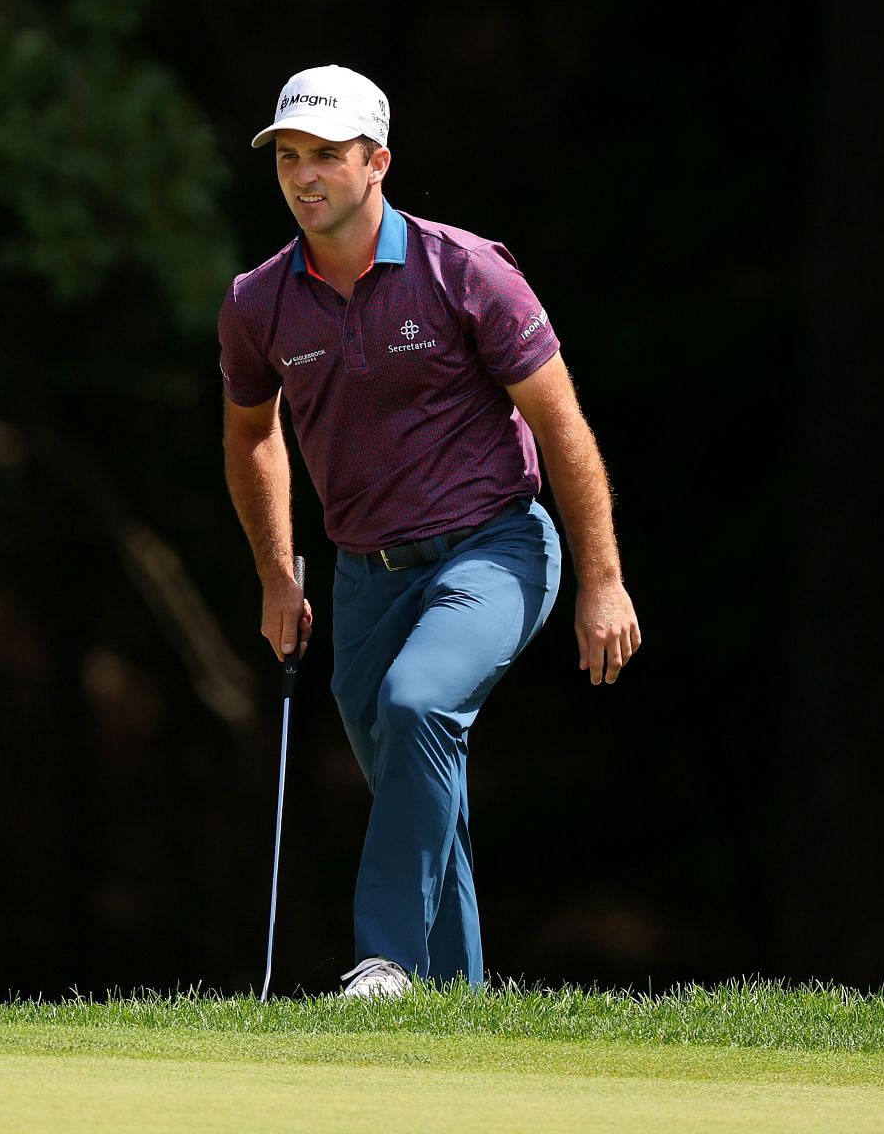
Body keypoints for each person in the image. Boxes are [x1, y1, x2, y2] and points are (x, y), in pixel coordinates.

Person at [218, 65, 642, 998]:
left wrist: (601, 580)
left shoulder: (463, 270)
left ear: (378, 164)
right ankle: (457, 1009)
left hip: (494, 547)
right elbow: (252, 434)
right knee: (419, 783)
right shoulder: (259, 301)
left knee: (418, 708)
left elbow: (562, 422)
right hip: (364, 575)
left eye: (327, 155)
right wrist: (276, 577)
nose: (303, 175)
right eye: (289, 156)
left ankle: (387, 960)